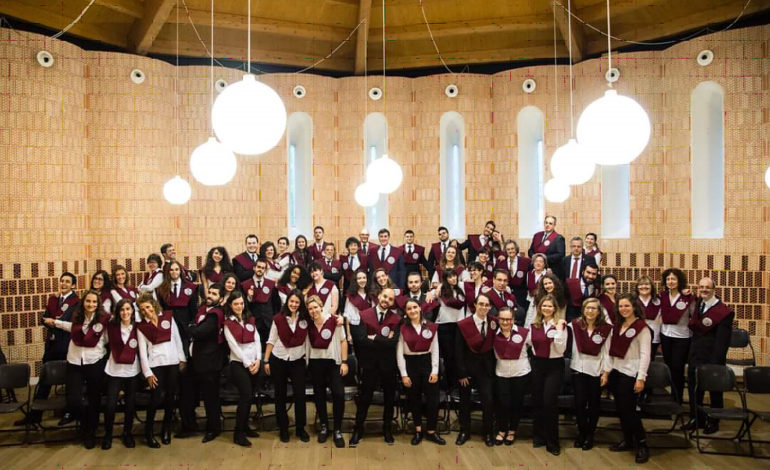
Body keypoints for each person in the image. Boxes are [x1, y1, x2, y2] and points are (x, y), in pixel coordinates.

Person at [43, 290, 109, 449]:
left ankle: (90, 432)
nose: (91, 305)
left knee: (94, 399)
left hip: (94, 361)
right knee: (73, 399)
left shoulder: (103, 321)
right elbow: (70, 327)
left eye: (94, 302)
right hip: (74, 362)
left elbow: (108, 338)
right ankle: (85, 424)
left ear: (98, 304)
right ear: (83, 302)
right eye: (88, 301)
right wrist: (55, 322)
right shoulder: (77, 317)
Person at [16, 273, 80, 427]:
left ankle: (69, 413)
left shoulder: (77, 302)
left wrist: (54, 321)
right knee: (44, 380)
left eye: (67, 282)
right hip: (51, 345)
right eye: (62, 281)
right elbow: (43, 318)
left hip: (66, 346)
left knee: (69, 382)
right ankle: (35, 416)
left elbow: (71, 323)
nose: (63, 283)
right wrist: (52, 322)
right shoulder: (53, 299)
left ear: (73, 285)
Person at [350, 288, 401, 447]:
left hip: (388, 366)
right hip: (369, 364)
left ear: (393, 302)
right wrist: (382, 339)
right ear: (379, 296)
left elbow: (393, 343)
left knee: (389, 399)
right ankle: (358, 430)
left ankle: (387, 430)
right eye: (385, 296)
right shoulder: (364, 314)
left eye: (390, 299)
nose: (386, 300)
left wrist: (373, 338)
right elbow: (359, 339)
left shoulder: (396, 319)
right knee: (364, 399)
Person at [603, 293, 651, 464]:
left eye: (627, 306)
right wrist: (607, 372)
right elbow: (610, 352)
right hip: (616, 372)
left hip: (631, 374)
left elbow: (646, 355)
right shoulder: (617, 326)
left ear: (634, 307)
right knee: (621, 410)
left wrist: (641, 378)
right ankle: (628, 440)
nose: (623, 309)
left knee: (630, 412)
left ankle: (642, 444)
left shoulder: (642, 328)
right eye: (621, 306)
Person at [683, 277, 733, 434]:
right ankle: (696, 418)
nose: (704, 289)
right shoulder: (699, 304)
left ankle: (713, 421)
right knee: (694, 387)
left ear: (714, 290)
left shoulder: (723, 312)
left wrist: (716, 363)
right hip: (695, 353)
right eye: (701, 287)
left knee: (714, 390)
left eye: (707, 287)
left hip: (713, 357)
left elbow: (722, 341)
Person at [136, 293, 185, 448]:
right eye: (142, 309)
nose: (146, 311)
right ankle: (149, 432)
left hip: (172, 362)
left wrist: (182, 358)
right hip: (155, 364)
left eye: (148, 307)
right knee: (155, 399)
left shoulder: (167, 318)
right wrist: (148, 373)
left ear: (154, 305)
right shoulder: (142, 327)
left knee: (171, 398)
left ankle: (166, 429)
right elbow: (142, 353)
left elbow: (176, 338)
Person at [264, 290, 310, 443]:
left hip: (297, 360)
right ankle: (283, 428)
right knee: (280, 395)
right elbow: (271, 340)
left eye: (297, 302)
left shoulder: (305, 319)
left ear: (300, 303)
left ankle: (300, 428)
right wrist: (266, 360)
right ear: (287, 302)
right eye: (292, 301)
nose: (294, 304)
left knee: (300, 395)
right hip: (279, 359)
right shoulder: (278, 319)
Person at [397, 298, 444, 446]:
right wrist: (404, 374)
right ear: (406, 312)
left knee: (433, 400)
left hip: (427, 363)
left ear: (420, 308)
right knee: (414, 399)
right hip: (411, 365)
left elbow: (435, 349)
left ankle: (431, 430)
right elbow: (399, 352)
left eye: (415, 307)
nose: (412, 311)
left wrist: (435, 370)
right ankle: (417, 430)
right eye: (409, 309)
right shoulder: (402, 328)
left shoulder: (431, 327)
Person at [305, 295, 348, 448]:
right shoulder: (307, 324)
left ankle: (337, 429)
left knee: (338, 394)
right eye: (310, 308)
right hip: (316, 363)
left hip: (333, 362)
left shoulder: (335, 321)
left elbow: (343, 341)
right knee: (319, 395)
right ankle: (324, 426)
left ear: (321, 306)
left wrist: (344, 362)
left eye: (315, 307)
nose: (313, 310)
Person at [527, 295, 567, 456]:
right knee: (537, 400)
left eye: (550, 306)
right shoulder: (534, 325)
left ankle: (552, 441)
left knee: (549, 402)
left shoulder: (560, 326)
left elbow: (561, 349)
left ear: (555, 309)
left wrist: (557, 331)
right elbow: (528, 344)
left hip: (554, 366)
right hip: (537, 364)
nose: (546, 309)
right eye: (544, 306)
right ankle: (539, 436)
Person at [569, 297, 611, 450]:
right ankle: (582, 432)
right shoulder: (575, 325)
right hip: (578, 369)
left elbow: (607, 353)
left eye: (594, 308)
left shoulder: (606, 328)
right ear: (583, 309)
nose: (590, 311)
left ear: (599, 311)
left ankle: (590, 435)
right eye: (587, 308)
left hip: (596, 371)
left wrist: (605, 373)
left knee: (594, 405)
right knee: (579, 404)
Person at [186, 283, 226, 443]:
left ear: (221, 299)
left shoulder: (216, 314)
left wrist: (191, 328)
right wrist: (193, 327)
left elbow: (198, 332)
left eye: (214, 294)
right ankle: (191, 425)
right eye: (209, 292)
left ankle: (213, 429)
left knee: (211, 398)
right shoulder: (203, 310)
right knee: (192, 394)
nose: (210, 295)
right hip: (197, 360)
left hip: (209, 363)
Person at [455, 293, 496, 447]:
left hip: (486, 371)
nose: (484, 307)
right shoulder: (464, 324)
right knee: (465, 402)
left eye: (487, 305)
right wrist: (461, 373)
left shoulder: (493, 322)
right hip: (467, 371)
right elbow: (457, 351)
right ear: (475, 305)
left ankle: (488, 433)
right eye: (481, 304)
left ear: (490, 307)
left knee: (488, 402)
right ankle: (464, 431)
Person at [222, 291, 261, 447]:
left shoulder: (249, 320)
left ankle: (245, 427)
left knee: (250, 396)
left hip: (254, 362)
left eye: (241, 303)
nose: (239, 306)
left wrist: (258, 359)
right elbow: (234, 347)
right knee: (245, 396)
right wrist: (248, 363)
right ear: (231, 306)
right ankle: (238, 433)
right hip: (238, 364)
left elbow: (257, 339)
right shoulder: (228, 324)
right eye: (236, 304)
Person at [102, 299, 140, 450]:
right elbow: (103, 341)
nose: (125, 312)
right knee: (110, 405)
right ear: (118, 312)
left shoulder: (138, 328)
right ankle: (108, 435)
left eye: (128, 309)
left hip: (132, 371)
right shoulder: (111, 327)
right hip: (114, 370)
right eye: (122, 310)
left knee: (130, 405)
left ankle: (127, 433)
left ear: (132, 311)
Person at [492, 306, 530, 446]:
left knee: (516, 403)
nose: (505, 322)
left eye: (508, 319)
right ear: (498, 319)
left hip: (520, 373)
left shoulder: (525, 333)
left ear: (513, 320)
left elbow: (536, 347)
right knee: (503, 404)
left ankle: (512, 430)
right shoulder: (493, 334)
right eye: (502, 319)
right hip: (501, 373)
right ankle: (502, 429)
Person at [659, 268, 695, 403]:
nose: (670, 281)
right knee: (669, 367)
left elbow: (693, 314)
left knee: (677, 368)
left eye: (673, 279)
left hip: (682, 337)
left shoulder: (687, 297)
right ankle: (671, 397)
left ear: (679, 281)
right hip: (666, 335)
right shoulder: (662, 295)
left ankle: (677, 398)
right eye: (668, 279)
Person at [434, 270, 466, 388]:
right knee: (448, 356)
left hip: (458, 324)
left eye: (454, 276)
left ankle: (458, 382)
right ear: (445, 279)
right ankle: (449, 384)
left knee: (458, 354)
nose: (453, 278)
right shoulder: (441, 290)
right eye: (450, 277)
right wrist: (440, 286)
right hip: (444, 325)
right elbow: (430, 294)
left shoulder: (460, 288)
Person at [242, 258, 281, 350]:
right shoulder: (245, 285)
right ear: (254, 268)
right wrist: (249, 297)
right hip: (253, 321)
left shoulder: (271, 284)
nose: (260, 269)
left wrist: (275, 318)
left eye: (263, 268)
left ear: (265, 270)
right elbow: (242, 305)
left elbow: (276, 303)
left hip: (269, 321)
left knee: (269, 347)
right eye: (258, 267)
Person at [343, 270, 371, 359]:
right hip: (356, 328)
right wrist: (348, 334)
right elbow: (347, 316)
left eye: (364, 278)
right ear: (355, 280)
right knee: (359, 354)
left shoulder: (370, 294)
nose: (362, 280)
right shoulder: (351, 295)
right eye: (359, 278)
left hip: (369, 327)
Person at [495, 240, 530, 308]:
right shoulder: (500, 262)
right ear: (505, 251)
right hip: (505, 296)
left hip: (522, 297)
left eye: (512, 248)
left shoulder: (526, 261)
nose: (510, 251)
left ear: (516, 249)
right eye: (508, 249)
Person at [635, 275, 661, 358]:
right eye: (641, 284)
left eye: (646, 284)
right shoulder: (632, 300)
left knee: (651, 359)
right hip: (636, 336)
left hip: (654, 336)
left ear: (651, 286)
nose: (644, 286)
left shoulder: (658, 300)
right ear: (637, 287)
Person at [523, 253, 548, 317]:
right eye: (536, 261)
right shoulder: (529, 274)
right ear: (533, 263)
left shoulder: (547, 275)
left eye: (541, 261)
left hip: (543, 303)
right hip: (530, 303)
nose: (538, 263)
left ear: (544, 264)